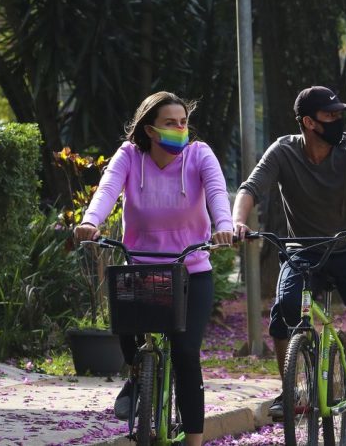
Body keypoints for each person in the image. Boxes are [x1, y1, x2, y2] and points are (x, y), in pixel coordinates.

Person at [73, 91, 234, 446]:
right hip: (141, 269)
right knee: (126, 330)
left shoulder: (199, 154)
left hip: (192, 270)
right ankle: (137, 373)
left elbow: (217, 193)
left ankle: (193, 440)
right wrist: (90, 221)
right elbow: (107, 190)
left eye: (183, 122)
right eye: (170, 123)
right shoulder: (130, 156)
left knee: (186, 353)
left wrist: (224, 224)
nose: (180, 129)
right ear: (149, 129)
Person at [232, 85, 346, 422]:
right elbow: (251, 188)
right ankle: (290, 388)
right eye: (329, 115)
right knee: (285, 311)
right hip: (303, 249)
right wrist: (237, 222)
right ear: (309, 122)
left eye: (338, 114)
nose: (337, 121)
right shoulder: (283, 151)